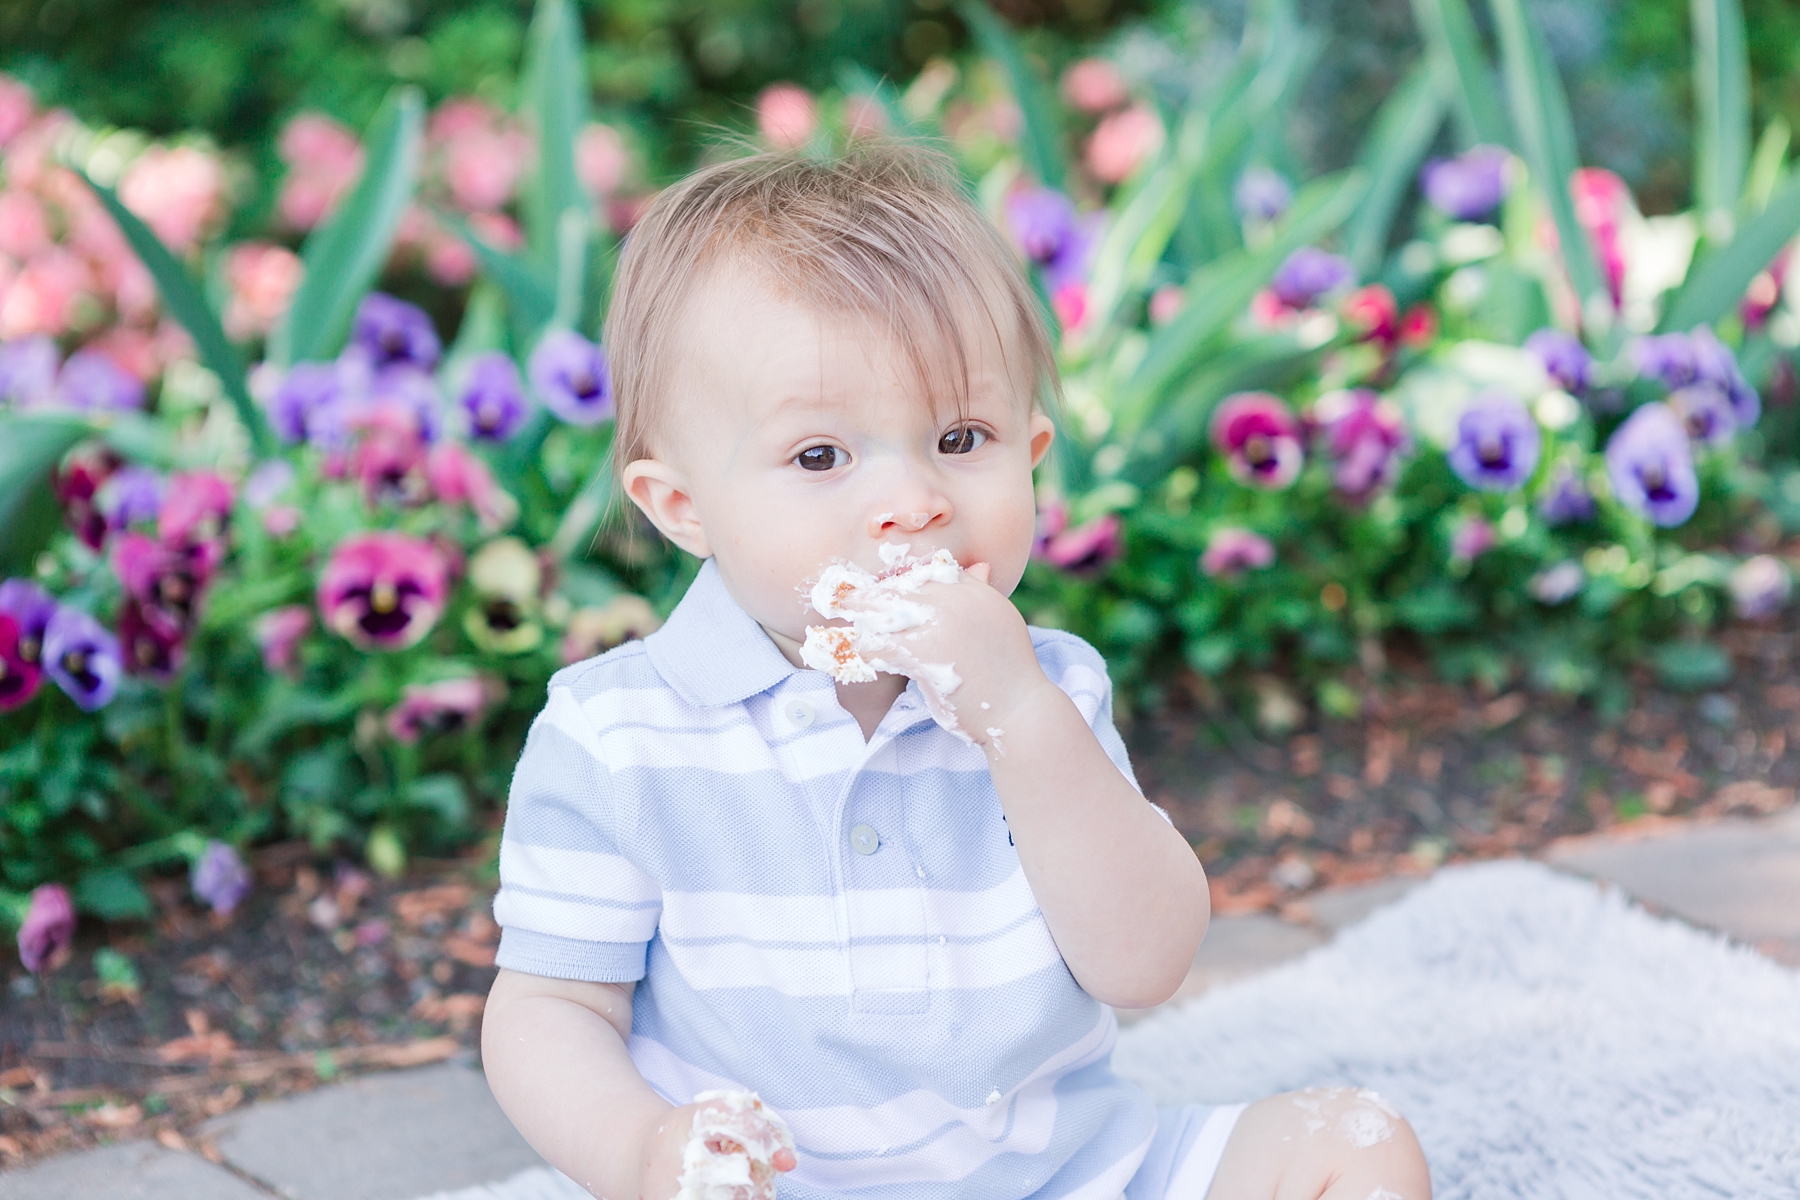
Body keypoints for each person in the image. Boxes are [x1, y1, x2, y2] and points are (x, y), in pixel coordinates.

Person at [481, 141, 1432, 1200]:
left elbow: (1144, 965)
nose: (913, 500)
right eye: (820, 457)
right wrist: (642, 1152)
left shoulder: (1050, 693)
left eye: (959, 435)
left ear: (1030, 455)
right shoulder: (615, 736)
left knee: (1354, 1145)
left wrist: (1019, 719)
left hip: (1067, 1177)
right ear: (683, 507)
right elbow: (551, 1014)